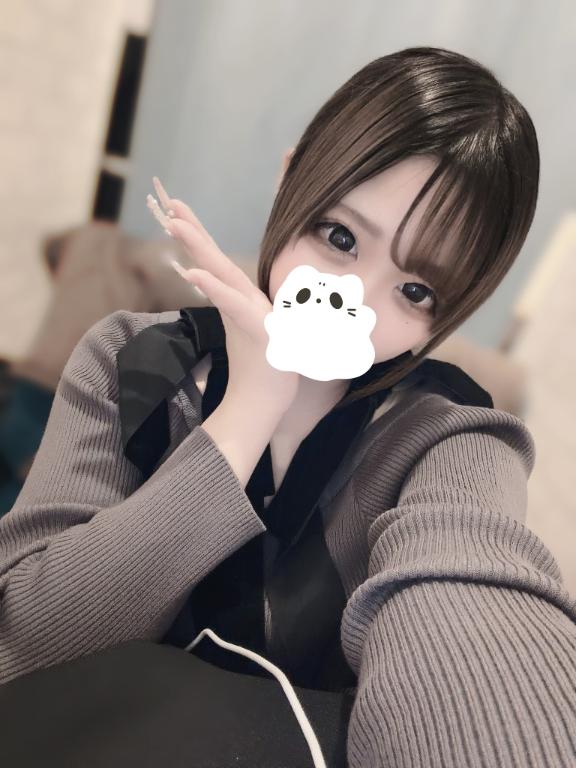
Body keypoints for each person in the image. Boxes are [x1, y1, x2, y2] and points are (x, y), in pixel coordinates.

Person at [1, 46, 575, 767]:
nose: (355, 302)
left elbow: (473, 611)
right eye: (340, 238)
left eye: (416, 291)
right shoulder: (127, 360)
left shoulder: (451, 438)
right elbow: (21, 649)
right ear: (289, 181)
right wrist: (248, 412)